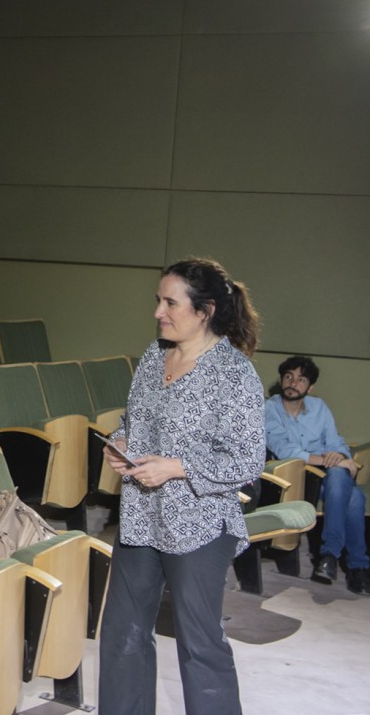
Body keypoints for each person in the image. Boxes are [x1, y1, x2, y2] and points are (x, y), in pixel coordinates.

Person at [99, 258, 265, 715]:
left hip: (200, 526)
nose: (158, 311)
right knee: (122, 636)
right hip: (140, 519)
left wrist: (176, 467)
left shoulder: (234, 374)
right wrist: (119, 444)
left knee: (199, 643)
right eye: (159, 300)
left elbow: (248, 460)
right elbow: (132, 421)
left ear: (205, 310)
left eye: (170, 302)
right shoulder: (154, 355)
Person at [264, 356, 368, 595]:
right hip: (291, 479)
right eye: (289, 377)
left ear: (310, 387)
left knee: (341, 479)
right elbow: (282, 448)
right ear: (281, 381)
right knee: (353, 498)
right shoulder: (269, 408)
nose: (293, 383)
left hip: (325, 477)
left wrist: (341, 455)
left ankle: (330, 556)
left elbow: (336, 442)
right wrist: (330, 460)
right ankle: (356, 567)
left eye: (301, 379)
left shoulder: (319, 407)